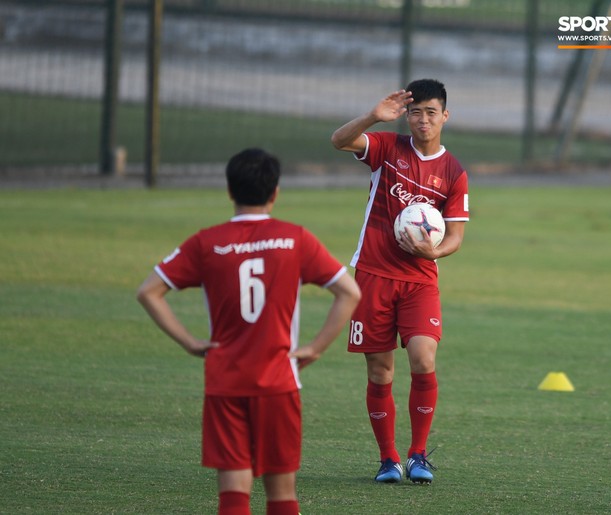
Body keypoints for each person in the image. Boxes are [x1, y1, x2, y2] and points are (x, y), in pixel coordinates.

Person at [136, 148, 361, 515]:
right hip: (278, 381)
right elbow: (349, 293)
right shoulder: (295, 239)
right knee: (282, 494)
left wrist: (190, 342)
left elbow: (148, 292)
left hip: (225, 380)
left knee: (234, 491)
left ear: (229, 190)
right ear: (275, 193)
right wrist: (316, 347)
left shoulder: (206, 242)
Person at [330, 79, 469, 484]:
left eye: (430, 112)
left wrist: (433, 253)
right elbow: (339, 141)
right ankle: (388, 459)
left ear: (445, 116)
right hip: (372, 274)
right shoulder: (387, 148)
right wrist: (374, 116)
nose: (422, 120)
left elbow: (456, 236)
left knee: (424, 358)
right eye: (415, 112)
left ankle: (418, 455)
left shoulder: (454, 172)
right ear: (406, 115)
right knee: (380, 373)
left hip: (420, 279)